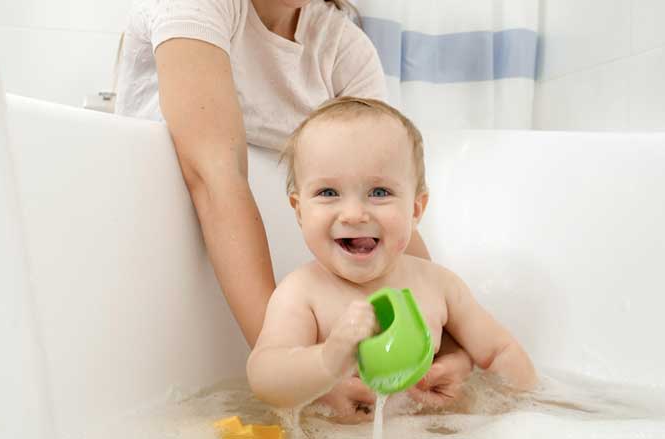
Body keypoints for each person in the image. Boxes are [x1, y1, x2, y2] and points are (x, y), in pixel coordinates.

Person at [114, 0, 475, 419]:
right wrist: (301, 372)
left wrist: (444, 348)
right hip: (159, 274)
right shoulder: (201, 7)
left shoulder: (344, 47)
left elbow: (386, 201)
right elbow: (215, 180)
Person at [246, 97, 537, 421]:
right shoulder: (301, 293)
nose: (354, 214)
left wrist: (524, 413)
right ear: (300, 211)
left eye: (379, 192)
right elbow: (264, 375)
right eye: (328, 192)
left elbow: (501, 351)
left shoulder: (439, 285)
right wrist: (326, 361)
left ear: (415, 210)